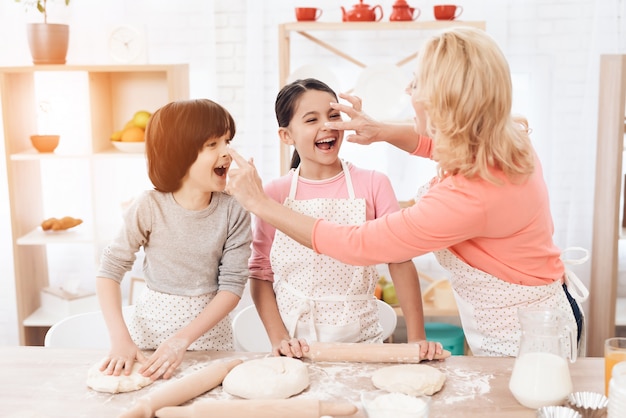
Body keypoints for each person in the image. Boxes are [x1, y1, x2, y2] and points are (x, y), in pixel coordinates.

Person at [226, 27, 587, 357]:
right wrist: (381, 130)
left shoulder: (467, 196)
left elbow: (358, 244)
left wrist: (259, 203)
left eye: (415, 84)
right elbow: (447, 144)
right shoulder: (510, 141)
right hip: (537, 314)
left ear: (443, 102)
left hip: (529, 337)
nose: (407, 91)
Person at [248, 78, 438, 359]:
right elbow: (261, 272)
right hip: (295, 346)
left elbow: (399, 260)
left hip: (363, 340)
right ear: (286, 136)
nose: (327, 126)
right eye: (311, 119)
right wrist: (280, 339)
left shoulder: (373, 183)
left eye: (334, 115)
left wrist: (416, 337)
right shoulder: (273, 194)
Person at [96, 99, 252, 380]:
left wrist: (182, 340)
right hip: (149, 340)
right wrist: (120, 339)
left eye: (227, 141)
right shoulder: (149, 206)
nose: (227, 153)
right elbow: (109, 271)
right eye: (213, 144)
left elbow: (232, 286)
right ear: (179, 154)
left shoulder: (235, 209)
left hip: (212, 340)